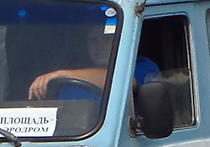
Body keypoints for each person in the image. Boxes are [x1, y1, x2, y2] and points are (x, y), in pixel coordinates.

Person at [28, 28, 159, 100]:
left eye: (106, 39)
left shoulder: (141, 66)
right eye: (93, 40)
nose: (99, 46)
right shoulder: (72, 77)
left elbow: (124, 82)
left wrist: (60, 74)